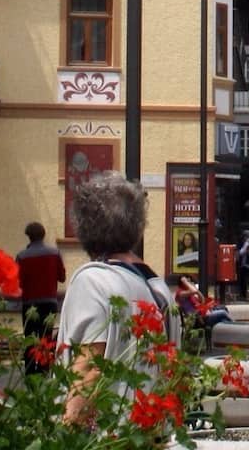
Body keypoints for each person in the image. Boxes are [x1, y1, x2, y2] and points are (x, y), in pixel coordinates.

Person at [57, 172, 181, 425]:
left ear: (83, 225)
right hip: (149, 433)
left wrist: (66, 431)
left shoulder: (93, 281)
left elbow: (89, 368)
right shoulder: (157, 287)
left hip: (108, 434)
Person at [17, 222, 67, 374]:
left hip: (30, 304)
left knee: (30, 338)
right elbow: (62, 277)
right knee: (46, 337)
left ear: (28, 236)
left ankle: (31, 372)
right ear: (43, 234)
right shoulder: (54, 253)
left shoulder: (21, 256)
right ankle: (45, 369)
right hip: (49, 303)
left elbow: (17, 282)